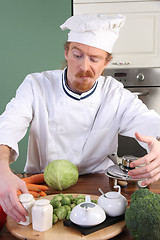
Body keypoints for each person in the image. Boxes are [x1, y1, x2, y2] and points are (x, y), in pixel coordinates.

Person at [0, 13, 160, 222]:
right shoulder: (36, 85)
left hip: (100, 190)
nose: (85, 67)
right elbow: (9, 124)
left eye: (94, 59)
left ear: (106, 62)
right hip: (42, 189)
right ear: (66, 52)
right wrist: (2, 169)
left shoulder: (115, 95)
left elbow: (150, 122)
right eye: (77, 55)